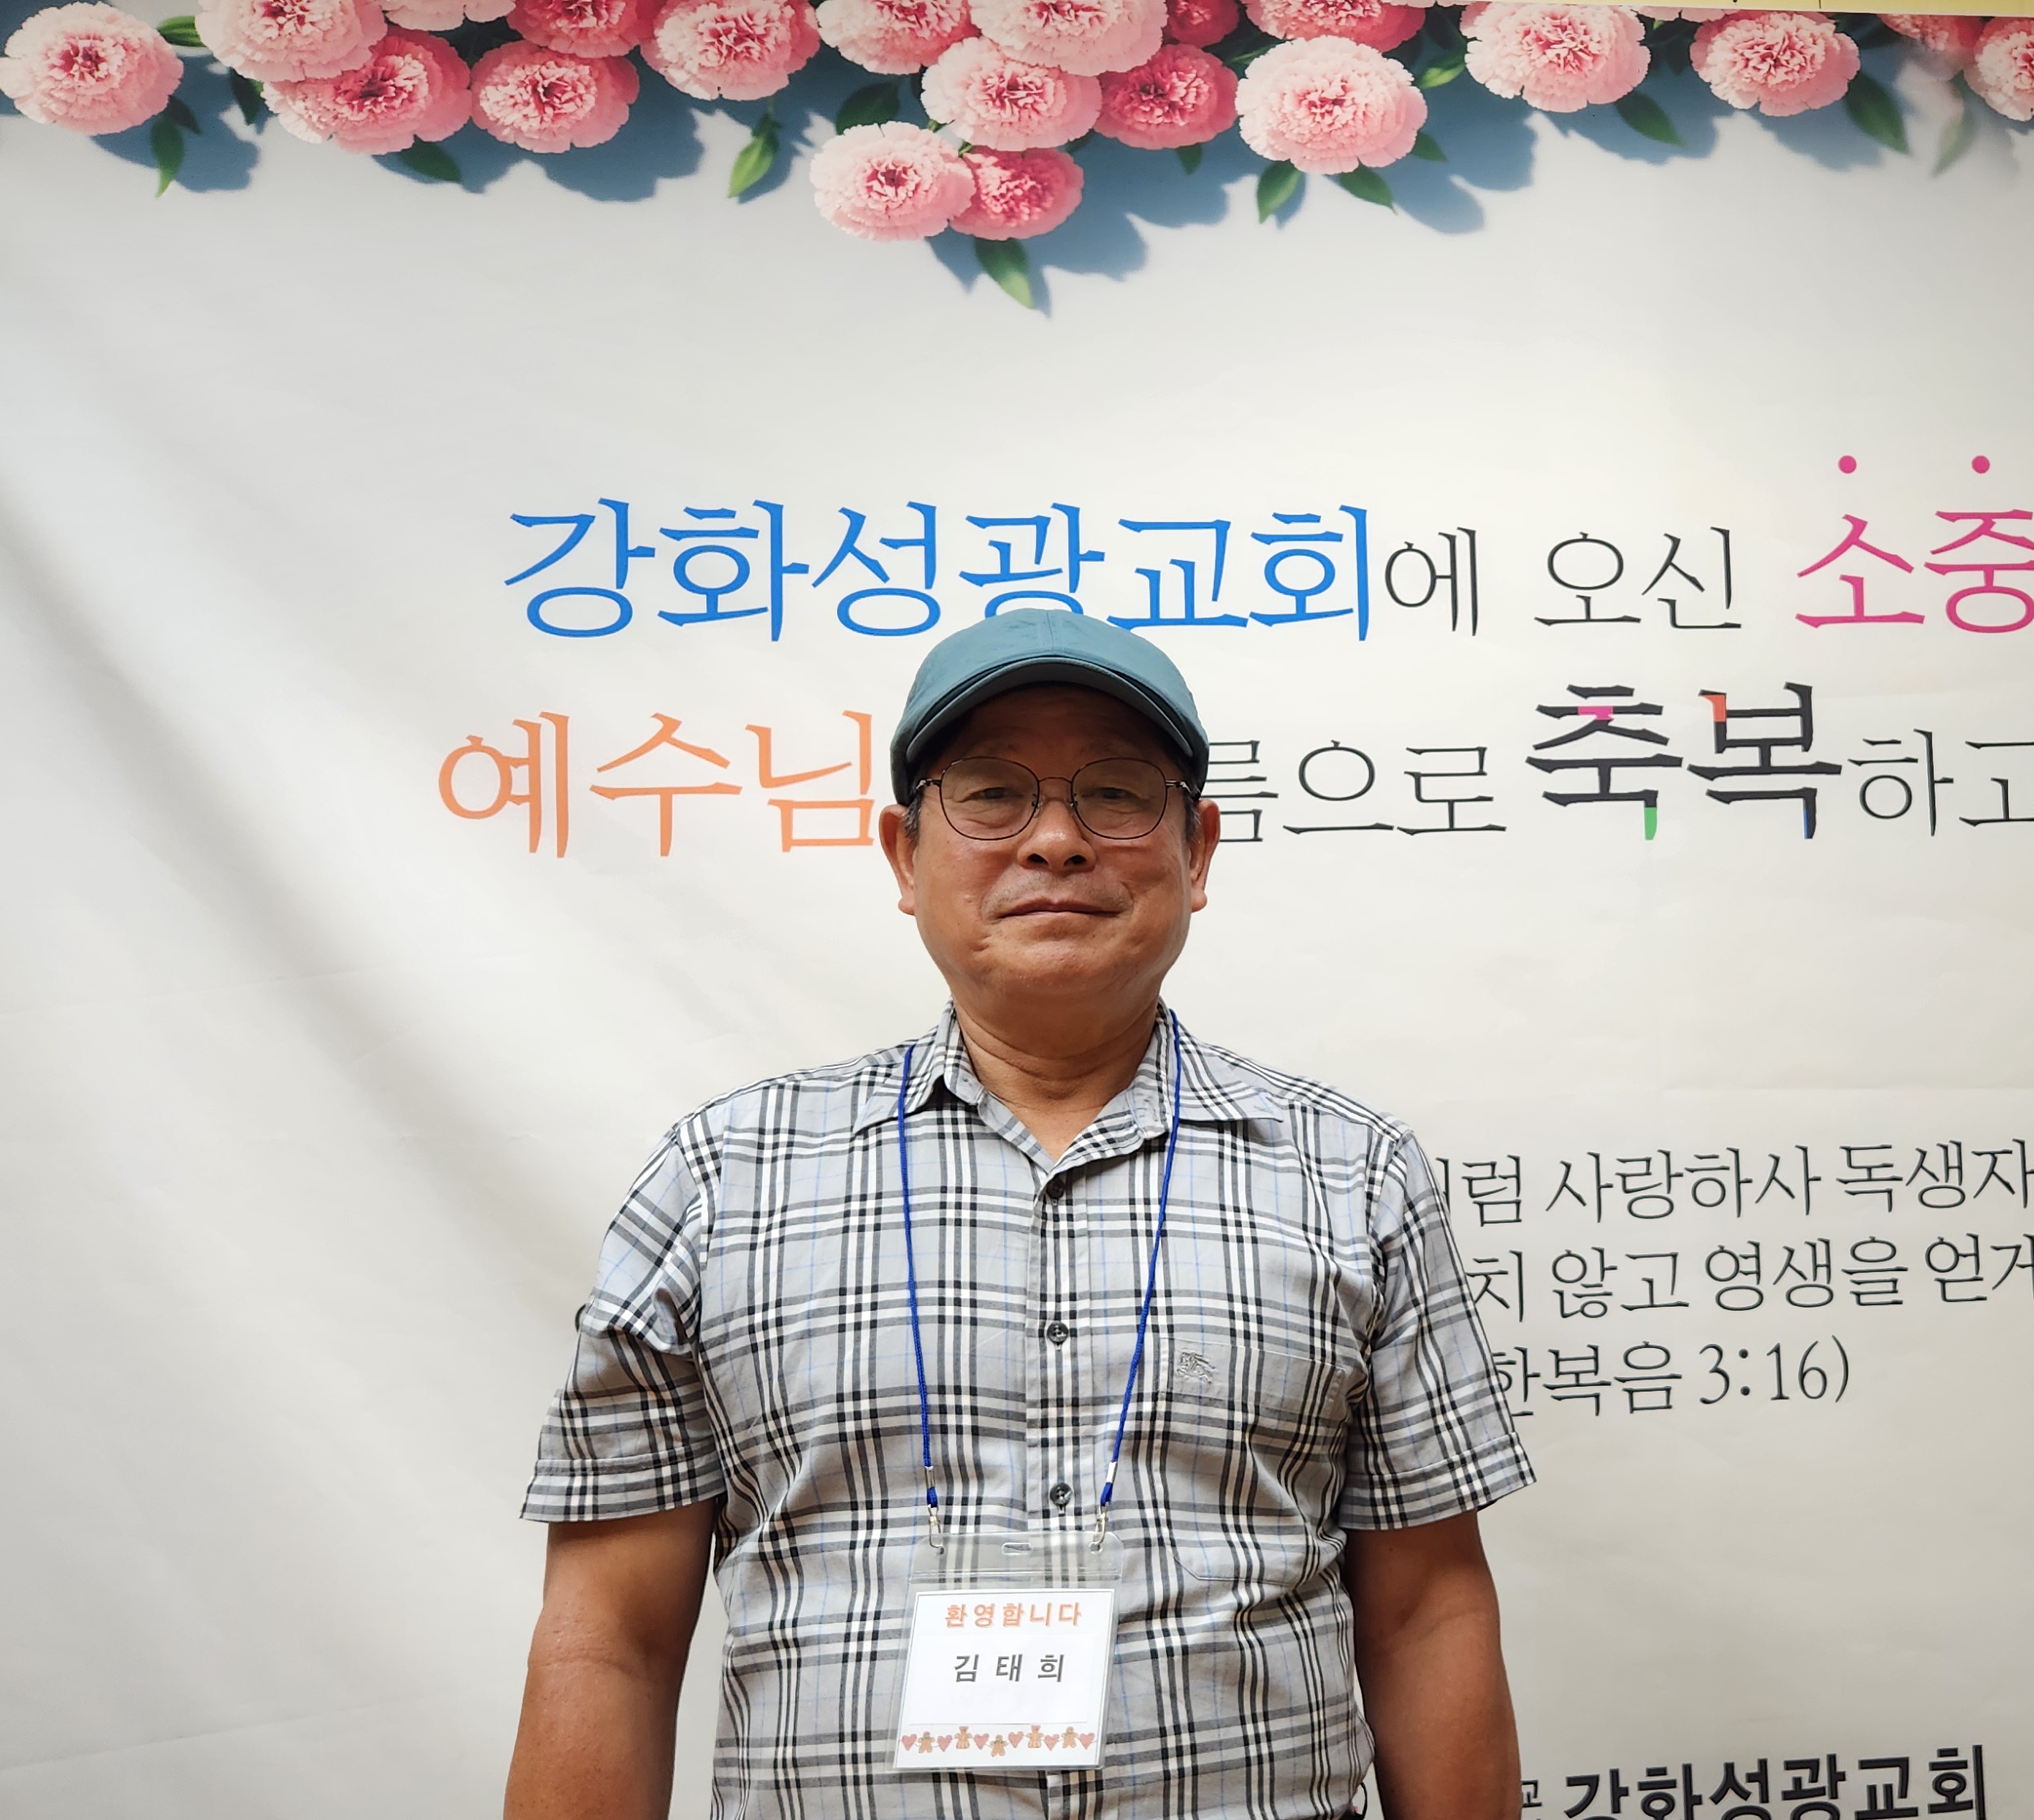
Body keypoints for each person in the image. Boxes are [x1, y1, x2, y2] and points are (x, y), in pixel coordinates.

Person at [504, 609, 1534, 1820]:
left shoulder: (1353, 1174)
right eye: (991, 794)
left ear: (1199, 851)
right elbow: (609, 1640)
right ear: (904, 856)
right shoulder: (721, 1180)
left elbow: (1427, 1614)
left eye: (1117, 794)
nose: (1054, 840)